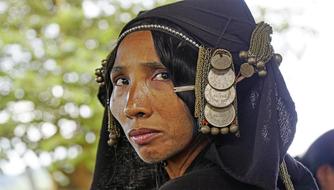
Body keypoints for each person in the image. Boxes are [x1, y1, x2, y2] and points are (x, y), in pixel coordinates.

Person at [91, 0, 318, 189]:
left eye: (162, 76)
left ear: (224, 82)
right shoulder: (292, 177)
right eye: (121, 81)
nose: (132, 107)